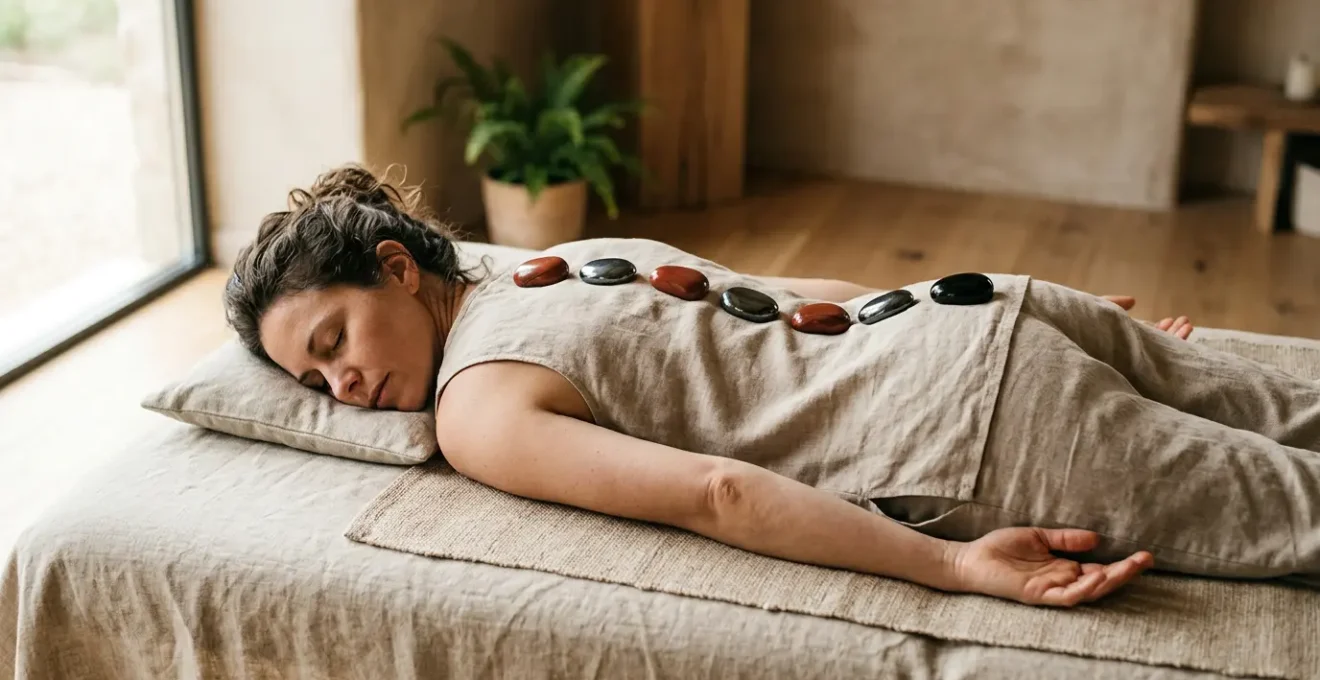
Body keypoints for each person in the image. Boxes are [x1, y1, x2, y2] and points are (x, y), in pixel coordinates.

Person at [224, 165, 1320, 608]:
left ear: (398, 269)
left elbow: (718, 491)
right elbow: (799, 295)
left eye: (333, 336)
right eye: (311, 377)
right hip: (984, 308)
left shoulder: (477, 408)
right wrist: (1059, 314)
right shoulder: (563, 257)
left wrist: (951, 563)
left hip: (976, 427)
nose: (344, 381)